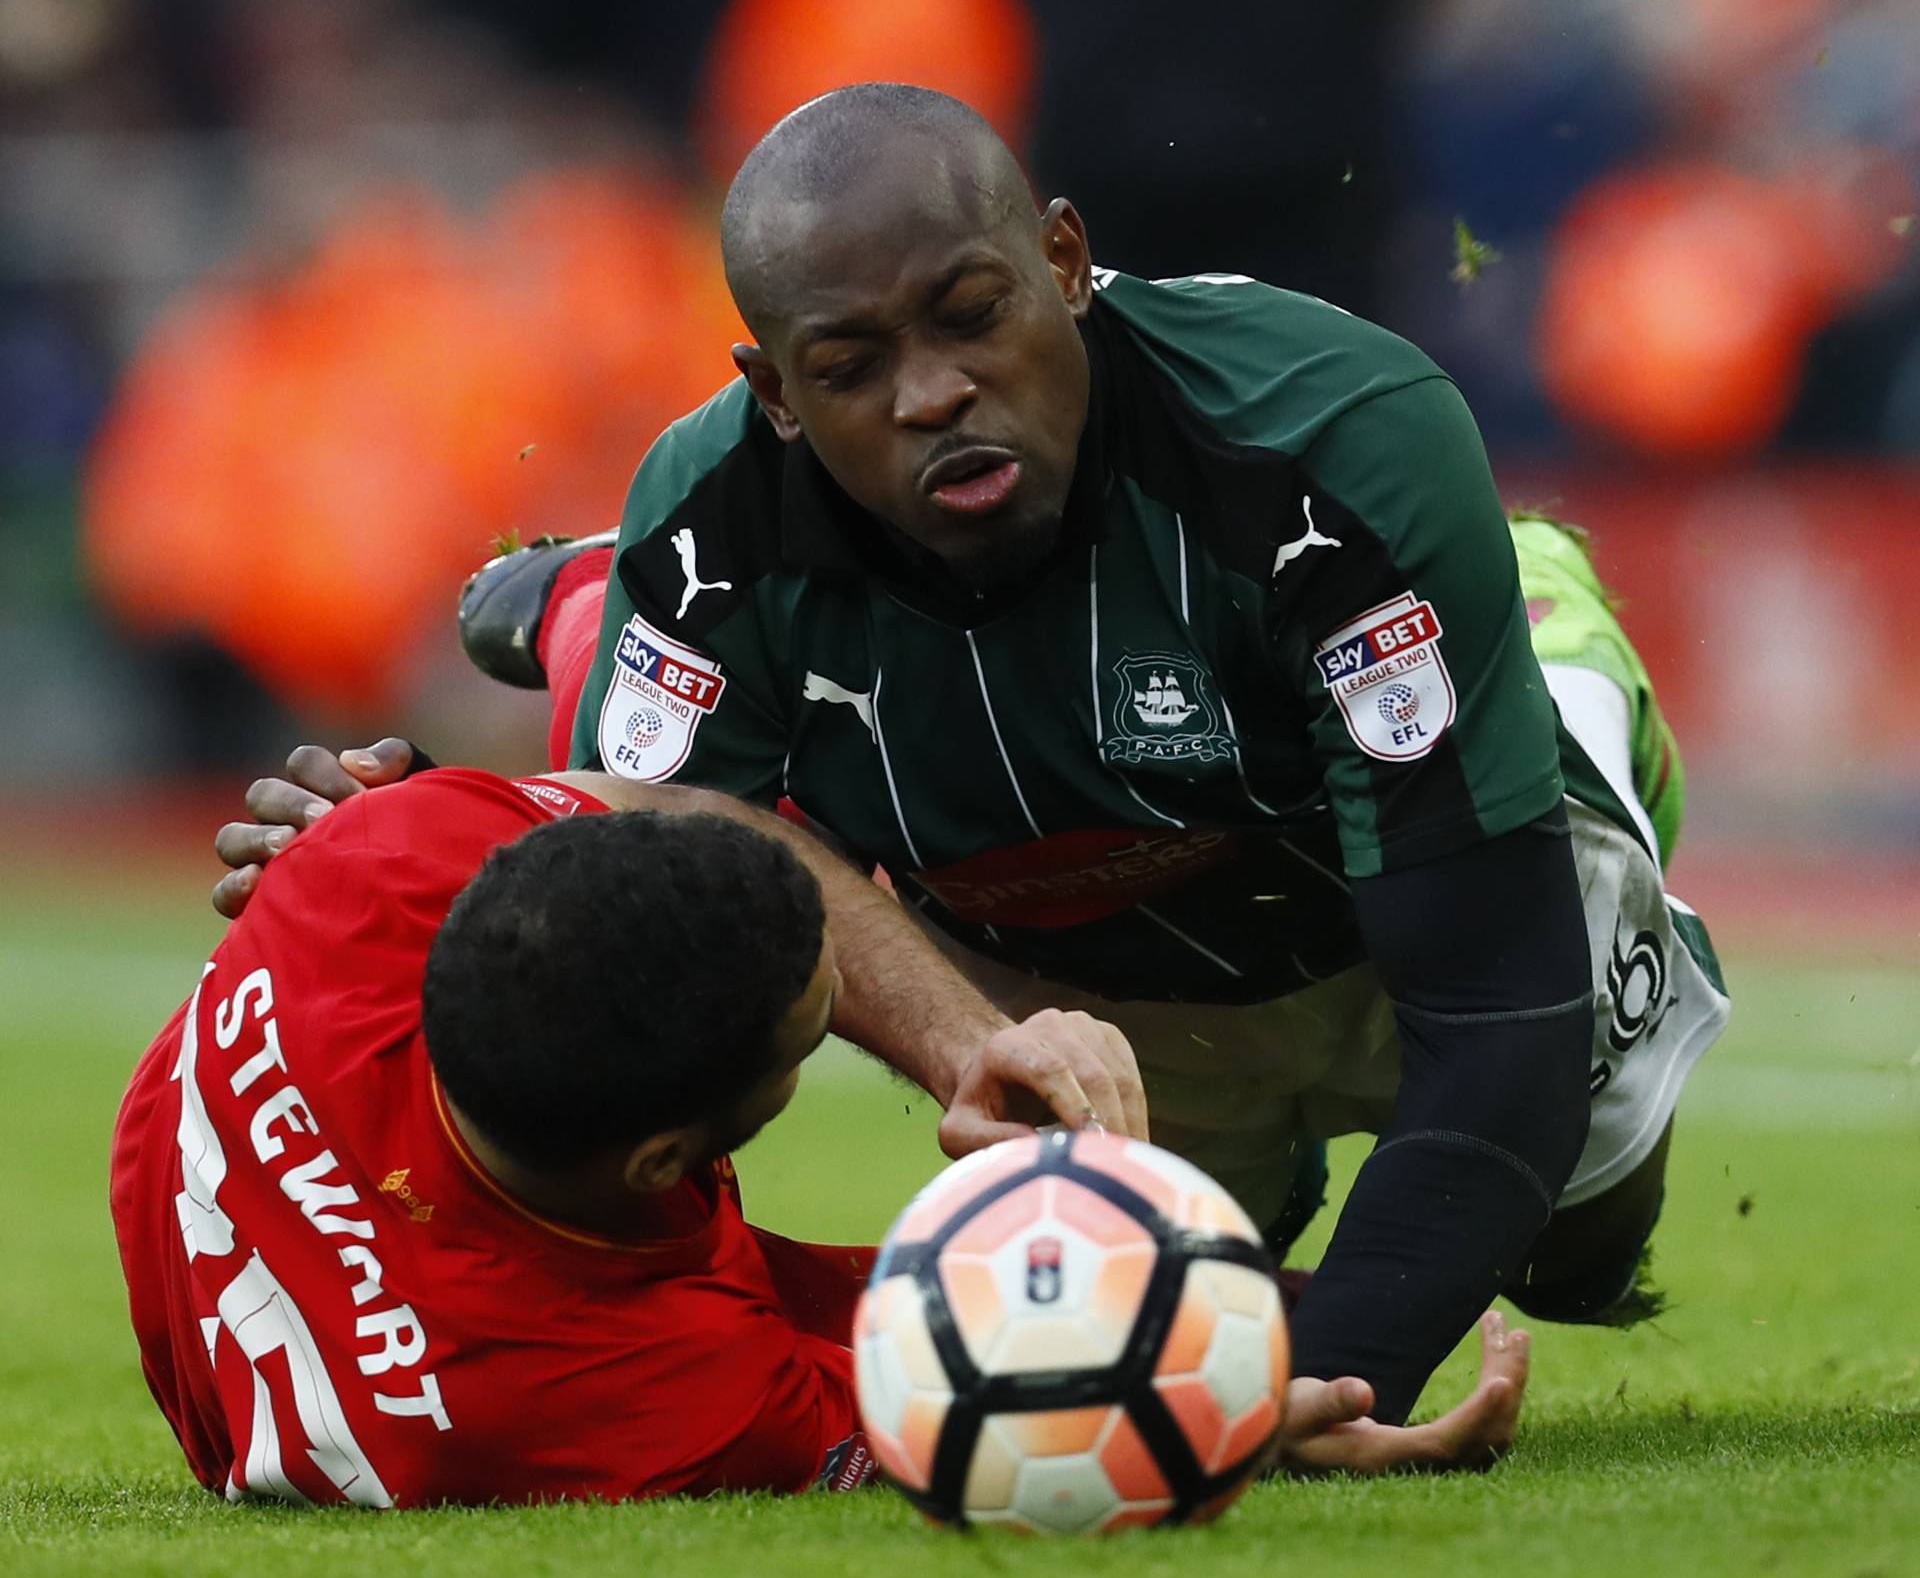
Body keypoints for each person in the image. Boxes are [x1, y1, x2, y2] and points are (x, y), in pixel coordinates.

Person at [218, 83, 1727, 1436]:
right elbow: (656, 907)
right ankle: (600, 628)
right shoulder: (721, 515)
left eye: (970, 313)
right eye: (853, 364)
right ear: (776, 396)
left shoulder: (1335, 436)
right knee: (1131, 1299)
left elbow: (1497, 1018)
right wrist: (397, 851)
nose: (933, 390)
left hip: (1381, 902)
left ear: (1067, 263)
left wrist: (1335, 1369)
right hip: (1084, 972)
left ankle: (1551, 634)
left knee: (1569, 1241)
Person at [138, 763, 1529, 1506]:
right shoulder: (659, 1389)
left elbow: (672, 809)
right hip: (492, 1348)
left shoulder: (378, 860)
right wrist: (1250, 1426)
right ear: (664, 1166)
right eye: (806, 1049)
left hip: (384, 1242)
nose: (832, 1035)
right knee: (1249, 1337)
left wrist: (960, 1044)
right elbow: (1017, 1421)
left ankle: (579, 608)